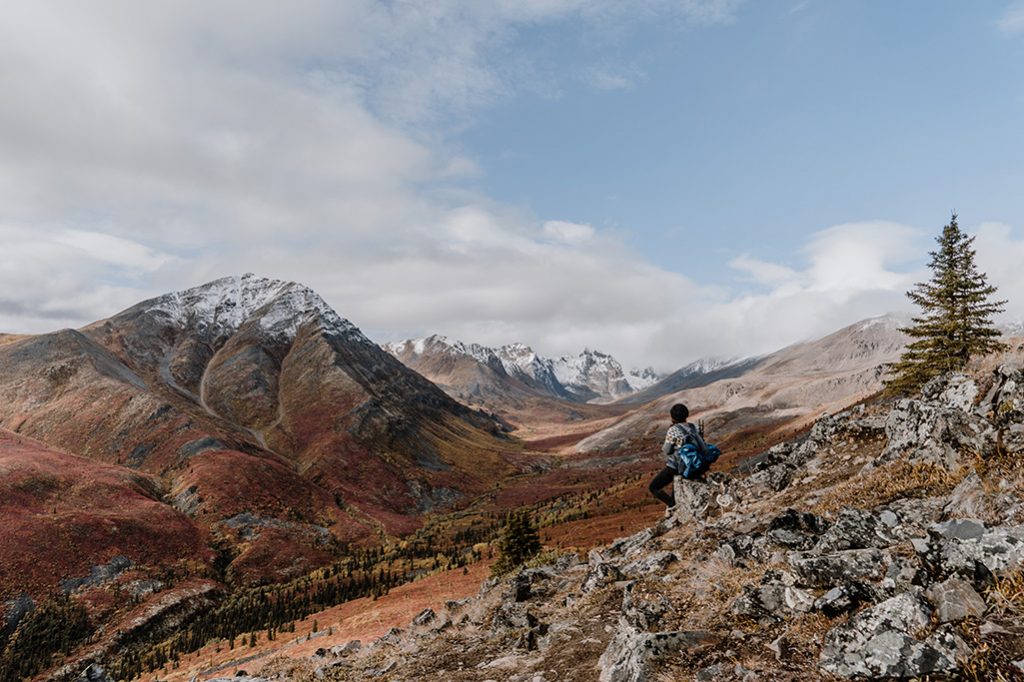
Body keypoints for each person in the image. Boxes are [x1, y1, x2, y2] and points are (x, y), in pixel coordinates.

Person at [648, 403, 704, 507]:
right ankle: (675, 506)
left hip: (676, 466)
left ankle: (671, 505)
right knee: (676, 487)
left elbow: (667, 450)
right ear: (686, 415)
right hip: (694, 464)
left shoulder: (673, 430)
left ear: (672, 416)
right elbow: (702, 446)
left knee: (653, 487)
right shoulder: (693, 427)